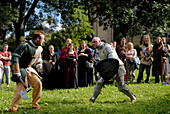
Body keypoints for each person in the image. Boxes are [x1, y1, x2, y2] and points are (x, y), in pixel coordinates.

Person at [89, 37, 136, 103]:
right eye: (92, 42)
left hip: (118, 67)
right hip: (108, 68)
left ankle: (133, 97)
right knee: (99, 82)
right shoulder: (97, 50)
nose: (93, 43)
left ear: (99, 41)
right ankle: (92, 99)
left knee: (121, 87)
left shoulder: (107, 47)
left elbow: (112, 60)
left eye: (95, 42)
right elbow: (101, 62)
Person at [9, 30, 46, 113]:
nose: (44, 41)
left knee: (38, 84)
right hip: (20, 68)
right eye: (42, 39)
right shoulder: (24, 45)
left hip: (29, 68)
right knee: (22, 87)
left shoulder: (40, 48)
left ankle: (35, 104)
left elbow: (38, 59)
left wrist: (40, 68)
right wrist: (17, 71)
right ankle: (13, 108)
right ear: (37, 38)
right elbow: (15, 56)